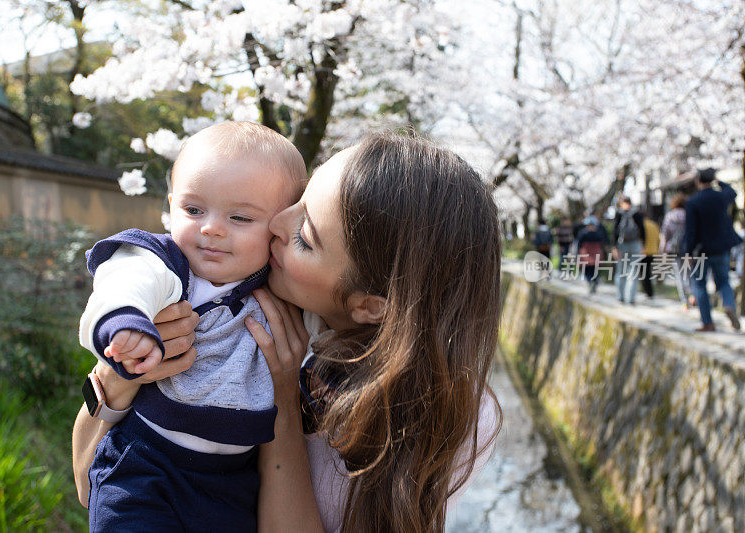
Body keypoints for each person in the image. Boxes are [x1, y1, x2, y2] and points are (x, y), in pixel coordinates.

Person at [72, 132, 502, 533]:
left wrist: (284, 402)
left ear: (370, 304)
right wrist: (120, 374)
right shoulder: (231, 284)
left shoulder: (448, 409)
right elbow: (88, 483)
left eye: (306, 237)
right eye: (299, 200)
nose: (276, 223)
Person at [78, 121, 307, 531]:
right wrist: (125, 322)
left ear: (279, 229)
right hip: (146, 461)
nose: (211, 228)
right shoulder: (168, 265)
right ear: (171, 205)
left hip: (234, 479)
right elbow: (126, 282)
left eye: (239, 217)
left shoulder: (280, 290)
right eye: (193, 210)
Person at [683, 168, 742, 332]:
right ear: (712, 179)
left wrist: (687, 252)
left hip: (702, 250)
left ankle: (708, 322)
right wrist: (718, 181)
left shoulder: (693, 202)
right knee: (724, 282)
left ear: (698, 181)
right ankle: (729, 306)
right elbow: (732, 191)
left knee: (700, 285)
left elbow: (690, 231)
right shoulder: (721, 197)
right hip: (721, 248)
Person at [660, 193, 691, 308]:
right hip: (688, 248)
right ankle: (693, 295)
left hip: (674, 249)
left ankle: (684, 302)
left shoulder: (670, 216)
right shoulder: (689, 215)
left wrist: (662, 251)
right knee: (690, 273)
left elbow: (665, 234)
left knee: (679, 275)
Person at [612, 195, 645, 304]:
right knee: (633, 272)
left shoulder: (619, 214)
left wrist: (614, 247)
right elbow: (642, 230)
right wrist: (643, 245)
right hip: (635, 244)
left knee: (620, 271)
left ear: (621, 203)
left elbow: (615, 231)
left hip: (622, 245)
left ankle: (620, 296)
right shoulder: (637, 213)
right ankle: (631, 298)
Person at [575, 216, 607, 294]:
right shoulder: (599, 232)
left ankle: (591, 282)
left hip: (586, 255)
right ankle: (594, 282)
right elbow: (604, 243)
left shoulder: (583, 233)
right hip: (596, 254)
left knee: (587, 270)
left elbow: (579, 244)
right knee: (595, 270)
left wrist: (577, 255)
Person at [640, 216, 661, 299]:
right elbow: (658, 239)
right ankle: (649, 292)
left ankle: (648, 292)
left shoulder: (641, 225)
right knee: (647, 272)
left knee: (644, 273)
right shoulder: (653, 225)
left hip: (643, 252)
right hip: (653, 251)